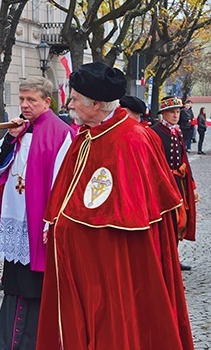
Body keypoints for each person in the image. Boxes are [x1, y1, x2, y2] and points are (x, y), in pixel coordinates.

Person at [36, 62, 194, 350]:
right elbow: (69, 193)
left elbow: (128, 217)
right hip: (85, 262)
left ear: (96, 103)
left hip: (117, 262)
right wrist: (56, 223)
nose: (69, 104)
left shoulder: (132, 139)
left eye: (73, 99)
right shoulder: (88, 134)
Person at [0, 76, 74, 350]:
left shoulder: (61, 133)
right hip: (15, 219)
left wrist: (52, 222)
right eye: (22, 99)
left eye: (31, 100)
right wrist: (10, 139)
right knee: (15, 283)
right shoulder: (18, 130)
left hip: (38, 223)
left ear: (47, 102)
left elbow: (62, 182)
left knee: (35, 287)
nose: (24, 105)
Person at [150, 96, 197, 270]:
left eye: (177, 112)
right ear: (163, 114)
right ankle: (164, 259)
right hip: (162, 184)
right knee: (166, 222)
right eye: (172, 112)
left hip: (178, 183)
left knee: (179, 222)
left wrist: (190, 183)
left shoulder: (177, 131)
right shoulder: (155, 132)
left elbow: (183, 158)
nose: (175, 115)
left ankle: (174, 257)